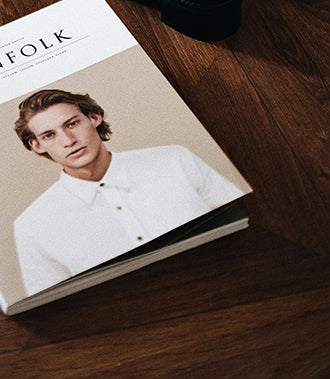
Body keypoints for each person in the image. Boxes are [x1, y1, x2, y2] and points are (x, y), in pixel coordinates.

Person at [13, 88, 245, 296]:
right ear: (37, 145)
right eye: (49, 135)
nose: (68, 140)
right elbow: (57, 307)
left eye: (72, 124)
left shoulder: (174, 160)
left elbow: (243, 219)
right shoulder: (32, 226)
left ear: (94, 118)